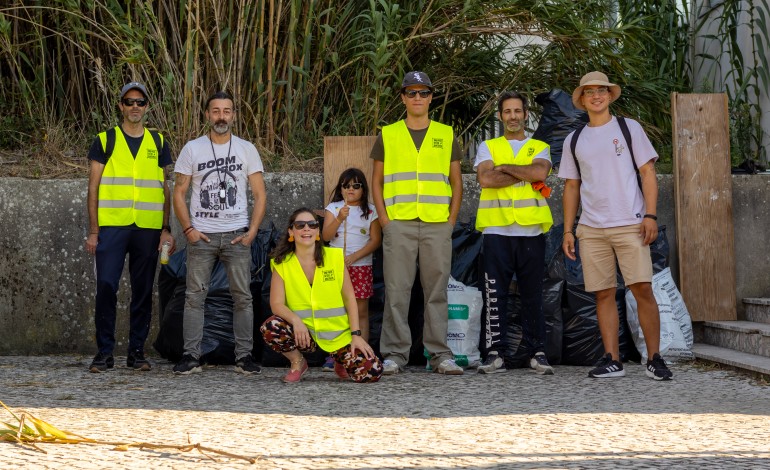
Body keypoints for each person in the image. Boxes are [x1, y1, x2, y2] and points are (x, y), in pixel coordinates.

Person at [558, 71, 673, 380]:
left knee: (642, 289)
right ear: (581, 100)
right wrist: (569, 230)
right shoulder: (575, 139)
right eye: (589, 91)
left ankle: (655, 359)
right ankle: (612, 360)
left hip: (630, 224)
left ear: (609, 95)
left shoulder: (628, 128)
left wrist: (650, 215)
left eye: (602, 90)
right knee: (603, 293)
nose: (596, 95)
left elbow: (648, 172)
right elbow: (571, 187)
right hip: (592, 228)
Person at [371, 70, 464, 375]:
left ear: (431, 98)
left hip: (437, 224)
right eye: (411, 93)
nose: (418, 98)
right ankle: (395, 355)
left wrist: (450, 222)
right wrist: (385, 221)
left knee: (437, 291)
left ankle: (440, 355)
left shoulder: (446, 133)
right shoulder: (388, 133)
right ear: (403, 98)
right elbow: (377, 181)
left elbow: (456, 182)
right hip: (399, 224)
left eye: (423, 93)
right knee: (397, 291)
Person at [172, 91, 266, 376]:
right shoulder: (193, 148)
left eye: (226, 111)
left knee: (242, 297)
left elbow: (260, 194)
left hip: (236, 234)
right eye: (215, 111)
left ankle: (244, 357)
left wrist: (251, 232)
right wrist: (188, 229)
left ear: (234, 115)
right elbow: (178, 191)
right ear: (207, 115)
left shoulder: (246, 149)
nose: (221, 116)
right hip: (203, 236)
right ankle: (190, 356)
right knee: (194, 297)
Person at [85, 81, 175, 373]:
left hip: (148, 229)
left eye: (140, 102)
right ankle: (104, 353)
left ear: (147, 106)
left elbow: (165, 189)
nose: (135, 106)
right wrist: (94, 231)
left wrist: (166, 228)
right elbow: (94, 187)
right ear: (121, 106)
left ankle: (136, 353)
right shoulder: (105, 140)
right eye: (129, 101)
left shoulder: (159, 142)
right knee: (106, 287)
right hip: (112, 227)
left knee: (143, 291)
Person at [474, 91, 555, 375]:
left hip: (531, 230)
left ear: (525, 115)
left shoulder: (540, 146)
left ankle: (538, 352)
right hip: (497, 230)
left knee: (533, 294)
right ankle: (495, 353)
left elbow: (540, 174)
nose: (512, 116)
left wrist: (505, 168)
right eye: (507, 112)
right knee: (494, 294)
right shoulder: (487, 146)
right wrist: (524, 171)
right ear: (500, 116)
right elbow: (486, 179)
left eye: (517, 111)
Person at [261, 208, 383, 383]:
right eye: (300, 225)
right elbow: (277, 304)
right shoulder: (282, 264)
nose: (306, 229)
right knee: (271, 327)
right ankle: (298, 362)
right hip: (304, 335)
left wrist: (356, 335)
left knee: (372, 373)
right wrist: (296, 321)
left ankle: (340, 361)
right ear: (291, 231)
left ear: (318, 232)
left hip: (338, 336)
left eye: (312, 225)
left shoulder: (334, 257)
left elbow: (350, 298)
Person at [320, 168, 382, 371]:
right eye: (346, 186)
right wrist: (339, 218)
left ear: (363, 188)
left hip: (360, 266)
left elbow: (375, 240)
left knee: (361, 310)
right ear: (340, 189)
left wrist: (355, 256)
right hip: (336, 266)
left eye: (356, 185)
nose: (351, 190)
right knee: (337, 310)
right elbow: (326, 237)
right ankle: (335, 353)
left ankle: (361, 353)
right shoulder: (334, 208)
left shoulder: (371, 211)